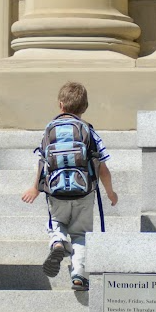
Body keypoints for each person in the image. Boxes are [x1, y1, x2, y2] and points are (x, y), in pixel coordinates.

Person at [21, 81, 117, 291]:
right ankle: (78, 276)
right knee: (81, 234)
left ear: (60, 105)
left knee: (57, 222)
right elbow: (103, 168)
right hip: (84, 192)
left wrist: (35, 188)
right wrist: (110, 193)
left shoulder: (49, 129)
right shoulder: (88, 130)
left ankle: (57, 241)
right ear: (85, 107)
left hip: (56, 192)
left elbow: (42, 162)